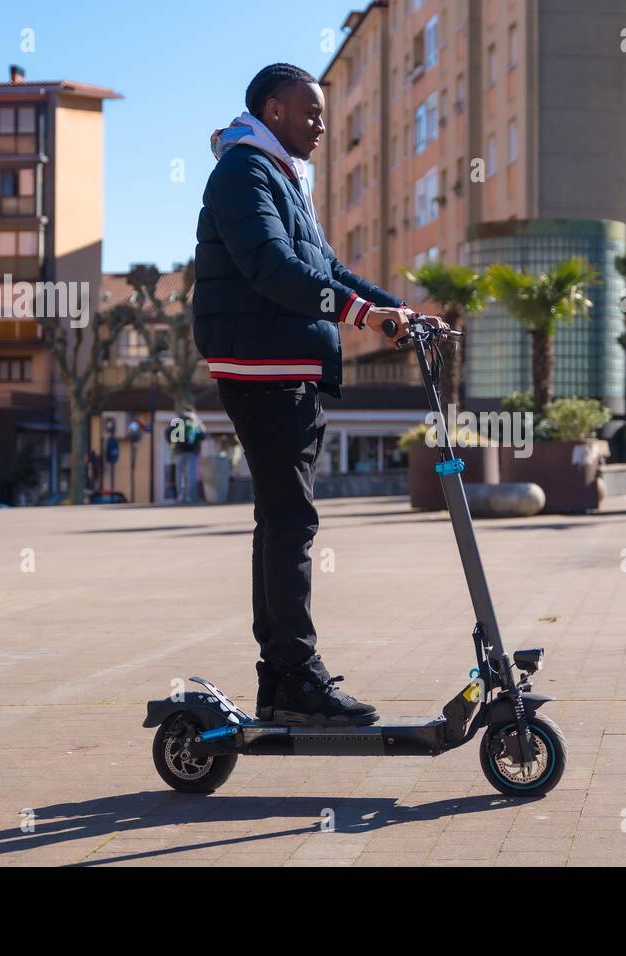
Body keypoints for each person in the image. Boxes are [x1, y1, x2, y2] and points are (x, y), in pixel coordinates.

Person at [193, 63, 448, 727]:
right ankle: (297, 677)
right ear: (274, 109)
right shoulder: (243, 174)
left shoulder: (278, 176)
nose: (322, 125)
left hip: (283, 363)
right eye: (311, 112)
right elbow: (274, 270)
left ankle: (282, 680)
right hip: (263, 365)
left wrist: (402, 311)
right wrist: (364, 318)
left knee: (281, 520)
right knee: (291, 521)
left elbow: (327, 268)